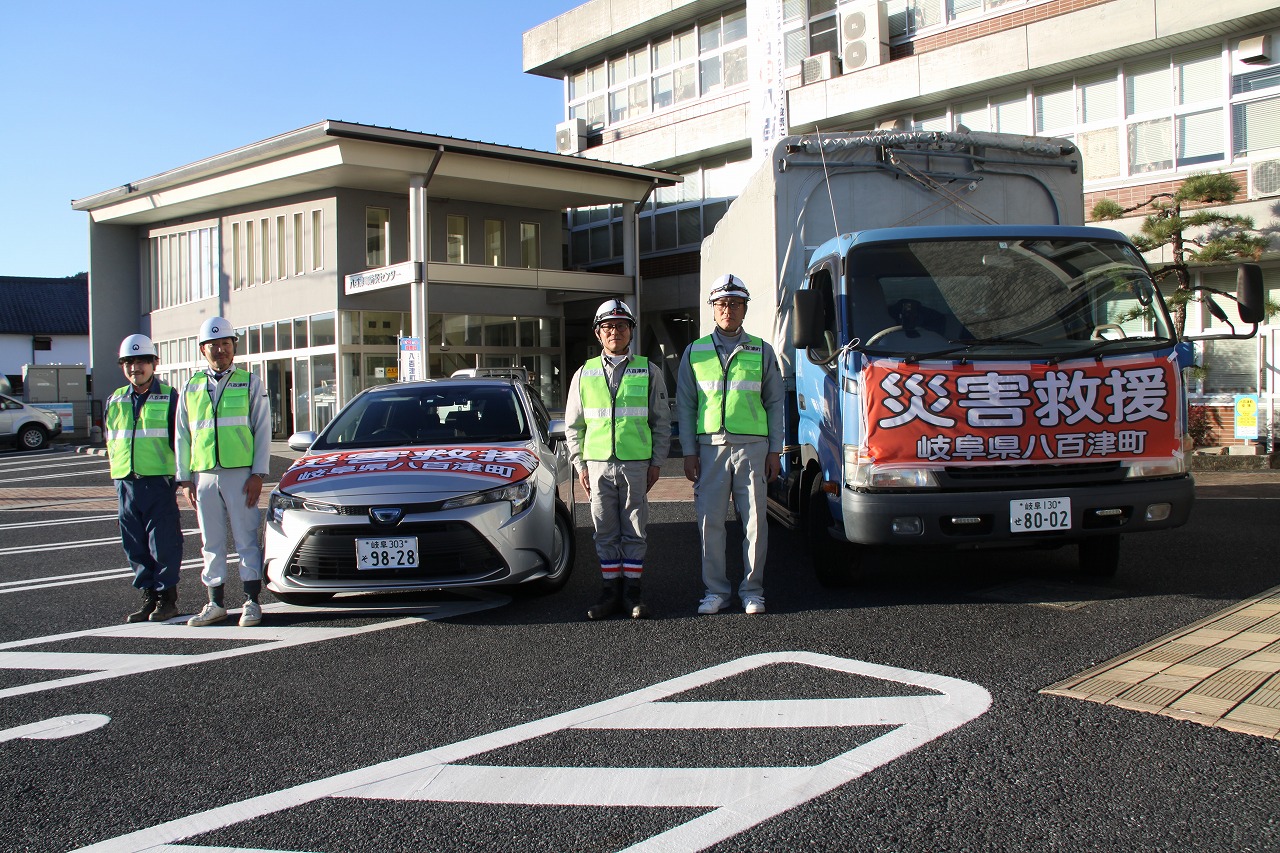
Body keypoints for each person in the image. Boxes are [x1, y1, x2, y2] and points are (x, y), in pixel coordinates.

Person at [675, 274, 784, 615]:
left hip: (752, 448)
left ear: (745, 309)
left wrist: (775, 450)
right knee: (710, 523)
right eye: (722, 304)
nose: (728, 310)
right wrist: (690, 451)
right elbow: (686, 404)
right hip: (711, 449)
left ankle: (753, 590)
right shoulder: (695, 352)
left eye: (735, 304)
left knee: (755, 523)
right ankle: (716, 592)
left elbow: (775, 402)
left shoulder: (762, 351)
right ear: (713, 309)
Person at [564, 299, 672, 619]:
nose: (615, 332)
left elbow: (661, 422)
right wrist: (580, 464)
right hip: (597, 465)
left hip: (635, 464)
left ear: (631, 332)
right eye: (608, 326)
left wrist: (656, 463)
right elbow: (574, 425)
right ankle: (610, 591)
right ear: (599, 333)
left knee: (635, 531)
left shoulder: (649, 370)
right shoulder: (584, 373)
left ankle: (633, 593)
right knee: (605, 531)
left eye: (622, 326)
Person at [176, 317, 272, 628]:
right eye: (214, 345)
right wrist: (185, 478)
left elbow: (262, 429)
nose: (220, 350)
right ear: (203, 349)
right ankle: (215, 603)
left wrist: (258, 473)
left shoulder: (250, 382)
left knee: (246, 538)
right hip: (204, 476)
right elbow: (182, 434)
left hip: (240, 475)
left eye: (226, 344)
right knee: (211, 541)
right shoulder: (191, 387)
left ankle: (251, 601)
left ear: (234, 347)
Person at [106, 334, 184, 623]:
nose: (134, 367)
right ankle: (148, 596)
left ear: (154, 364)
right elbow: (112, 441)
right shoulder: (115, 399)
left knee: (163, 542)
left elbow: (181, 441)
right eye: (128, 362)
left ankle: (167, 599)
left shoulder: (170, 397)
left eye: (141, 361)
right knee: (133, 543)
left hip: (157, 482)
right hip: (125, 482)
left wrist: (181, 478)